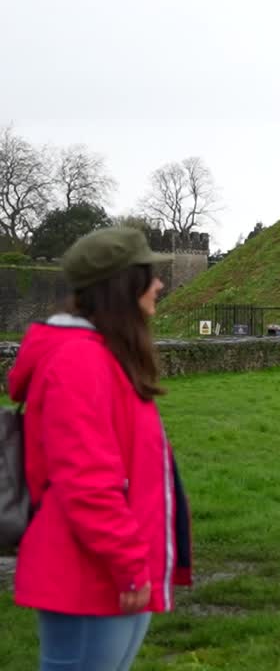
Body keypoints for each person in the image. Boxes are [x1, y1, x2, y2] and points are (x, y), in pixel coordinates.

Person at [8, 227, 193, 671]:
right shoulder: (78, 361)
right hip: (86, 572)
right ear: (122, 288)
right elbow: (86, 481)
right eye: (150, 276)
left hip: (109, 568)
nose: (160, 286)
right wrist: (129, 564)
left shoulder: (106, 355)